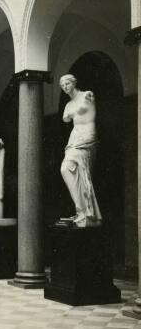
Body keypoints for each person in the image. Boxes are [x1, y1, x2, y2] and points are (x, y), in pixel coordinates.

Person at [59, 74, 101, 226]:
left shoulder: (87, 95)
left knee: (82, 172)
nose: (65, 86)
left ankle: (87, 213)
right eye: (62, 85)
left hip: (87, 135)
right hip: (75, 137)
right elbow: (65, 118)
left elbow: (87, 110)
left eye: (67, 83)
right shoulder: (68, 105)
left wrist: (75, 111)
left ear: (74, 82)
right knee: (66, 169)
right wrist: (73, 112)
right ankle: (81, 211)